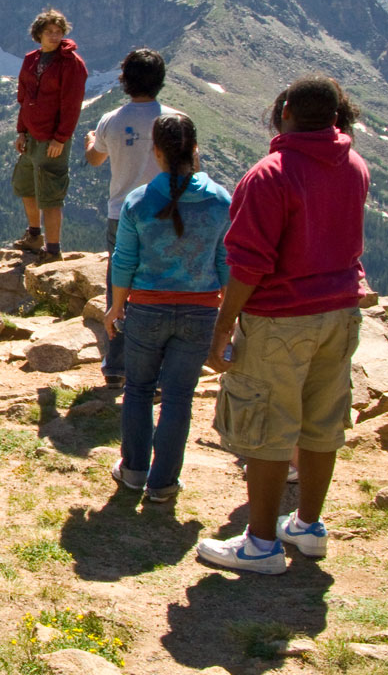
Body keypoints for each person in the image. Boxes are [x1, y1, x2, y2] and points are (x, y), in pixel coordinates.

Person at [195, 76, 369, 575]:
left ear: (286, 110)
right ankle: (309, 525)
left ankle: (261, 543)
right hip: (340, 311)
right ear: (337, 115)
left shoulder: (271, 174)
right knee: (322, 421)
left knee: (267, 426)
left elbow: (248, 263)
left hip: (280, 318)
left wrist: (224, 325)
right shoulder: (354, 164)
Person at [105, 114, 231, 503]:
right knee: (179, 395)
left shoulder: (138, 201)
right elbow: (226, 258)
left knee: (139, 390)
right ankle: (163, 484)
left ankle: (133, 470)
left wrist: (116, 307)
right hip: (200, 310)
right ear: (196, 151)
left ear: (155, 152)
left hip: (145, 309)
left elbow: (124, 259)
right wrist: (226, 306)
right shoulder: (220, 200)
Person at [85, 48, 184, 385]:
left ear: (124, 80)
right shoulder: (176, 120)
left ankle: (117, 364)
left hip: (122, 212)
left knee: (120, 286)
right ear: (161, 80)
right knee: (163, 283)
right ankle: (157, 365)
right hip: (167, 211)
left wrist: (90, 142)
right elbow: (192, 168)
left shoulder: (111, 119)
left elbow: (95, 159)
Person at [12, 8, 88, 264]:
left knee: (51, 195)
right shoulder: (31, 60)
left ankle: (53, 251)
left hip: (52, 140)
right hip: (32, 136)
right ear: (39, 35)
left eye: (59, 32)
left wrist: (61, 138)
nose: (55, 37)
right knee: (27, 187)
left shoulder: (71, 64)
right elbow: (24, 98)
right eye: (49, 32)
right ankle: (34, 236)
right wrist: (21, 131)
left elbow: (71, 104)